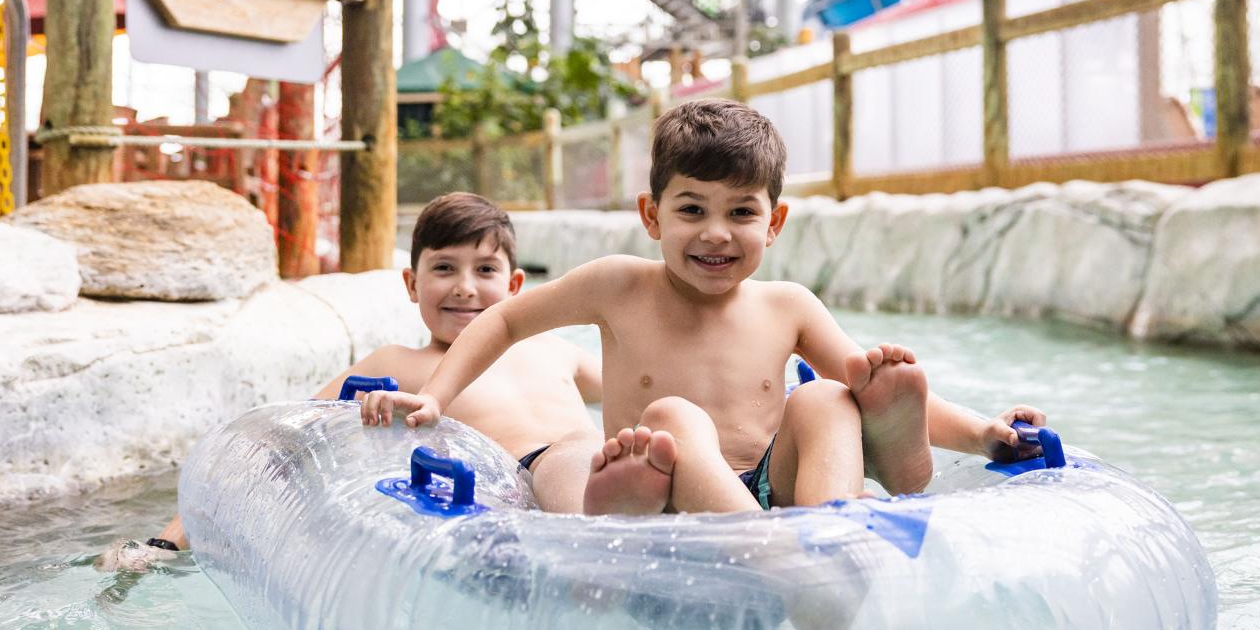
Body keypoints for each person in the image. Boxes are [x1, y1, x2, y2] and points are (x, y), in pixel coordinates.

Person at [365, 99, 1044, 521]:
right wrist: (436, 395)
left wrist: (988, 433)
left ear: (773, 222)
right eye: (692, 210)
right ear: (651, 215)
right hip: (670, 493)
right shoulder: (617, 285)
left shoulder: (788, 306)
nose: (716, 233)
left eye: (741, 212)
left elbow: (882, 385)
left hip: (773, 492)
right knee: (671, 417)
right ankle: (774, 550)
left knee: (834, 396)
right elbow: (507, 319)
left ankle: (842, 520)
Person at [100, 192, 604, 571]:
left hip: (598, 463)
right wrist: (168, 541)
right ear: (411, 284)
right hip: (518, 491)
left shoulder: (555, 347)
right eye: (444, 268)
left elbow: (649, 388)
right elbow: (277, 444)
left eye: (486, 269)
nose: (465, 288)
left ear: (516, 286)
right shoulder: (400, 363)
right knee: (579, 457)